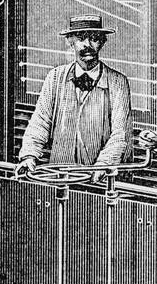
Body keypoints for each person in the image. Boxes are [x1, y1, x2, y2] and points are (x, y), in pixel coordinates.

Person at [15, 14, 134, 175]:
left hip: (99, 178)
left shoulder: (117, 82)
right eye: (80, 39)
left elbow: (120, 134)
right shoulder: (55, 77)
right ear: (70, 42)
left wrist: (102, 166)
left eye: (94, 38)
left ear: (102, 42)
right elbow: (40, 122)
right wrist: (29, 156)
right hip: (59, 175)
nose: (87, 45)